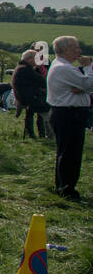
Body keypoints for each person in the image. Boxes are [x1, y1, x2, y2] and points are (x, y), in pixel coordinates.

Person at [46, 36, 93, 200]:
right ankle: (67, 189)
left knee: (66, 152)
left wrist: (82, 85)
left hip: (66, 113)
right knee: (71, 154)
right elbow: (89, 85)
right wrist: (88, 68)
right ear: (65, 50)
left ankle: (62, 185)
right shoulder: (65, 68)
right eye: (76, 48)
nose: (79, 51)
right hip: (69, 114)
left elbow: (82, 86)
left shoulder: (62, 66)